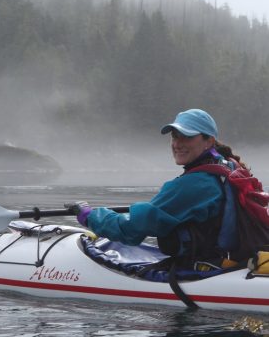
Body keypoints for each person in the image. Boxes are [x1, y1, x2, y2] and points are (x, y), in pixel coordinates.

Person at [65, 109, 247, 267]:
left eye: (188, 136)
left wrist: (89, 216)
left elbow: (131, 230)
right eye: (175, 136)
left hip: (201, 268)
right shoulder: (229, 166)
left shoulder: (195, 184)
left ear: (209, 141)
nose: (178, 144)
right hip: (226, 261)